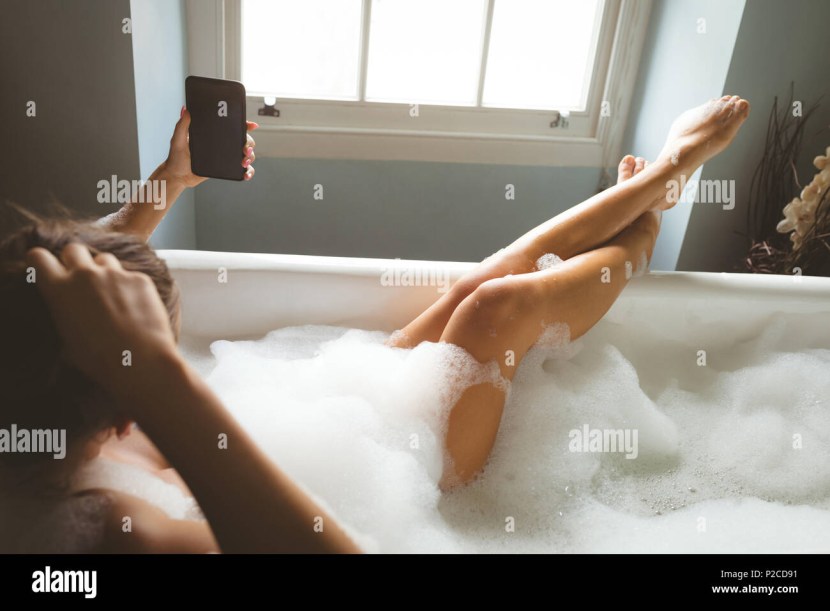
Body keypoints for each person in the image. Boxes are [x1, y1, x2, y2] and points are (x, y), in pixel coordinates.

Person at [0, 96, 749, 552]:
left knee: (479, 284)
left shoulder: (41, 378)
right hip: (404, 486)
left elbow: (67, 276)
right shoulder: (97, 535)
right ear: (123, 405)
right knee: (499, 308)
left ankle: (658, 182)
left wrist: (173, 177)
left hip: (330, 410)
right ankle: (646, 230)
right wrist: (158, 372)